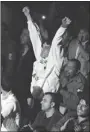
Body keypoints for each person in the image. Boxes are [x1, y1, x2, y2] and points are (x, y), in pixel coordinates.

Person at [23, 6, 71, 95]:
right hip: (35, 95)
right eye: (43, 45)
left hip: (49, 95)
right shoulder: (40, 57)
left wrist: (63, 26)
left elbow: (56, 41)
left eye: (45, 46)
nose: (42, 46)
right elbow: (34, 37)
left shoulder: (54, 61)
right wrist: (28, 16)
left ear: (51, 50)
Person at [13, 28, 35, 124]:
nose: (21, 36)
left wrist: (29, 94)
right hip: (16, 86)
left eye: (25, 34)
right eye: (21, 33)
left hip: (26, 88)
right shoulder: (18, 50)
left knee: (25, 113)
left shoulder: (33, 54)